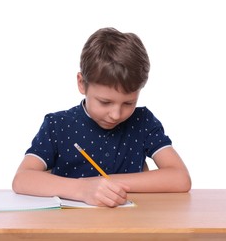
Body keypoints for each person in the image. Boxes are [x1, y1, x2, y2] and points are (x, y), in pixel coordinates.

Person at [12, 27, 191, 207]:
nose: (115, 115)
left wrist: (108, 184)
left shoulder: (142, 121)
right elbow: (22, 179)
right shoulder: (58, 125)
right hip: (70, 229)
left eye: (128, 103)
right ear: (82, 84)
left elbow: (180, 177)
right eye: (105, 102)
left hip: (131, 227)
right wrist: (83, 189)